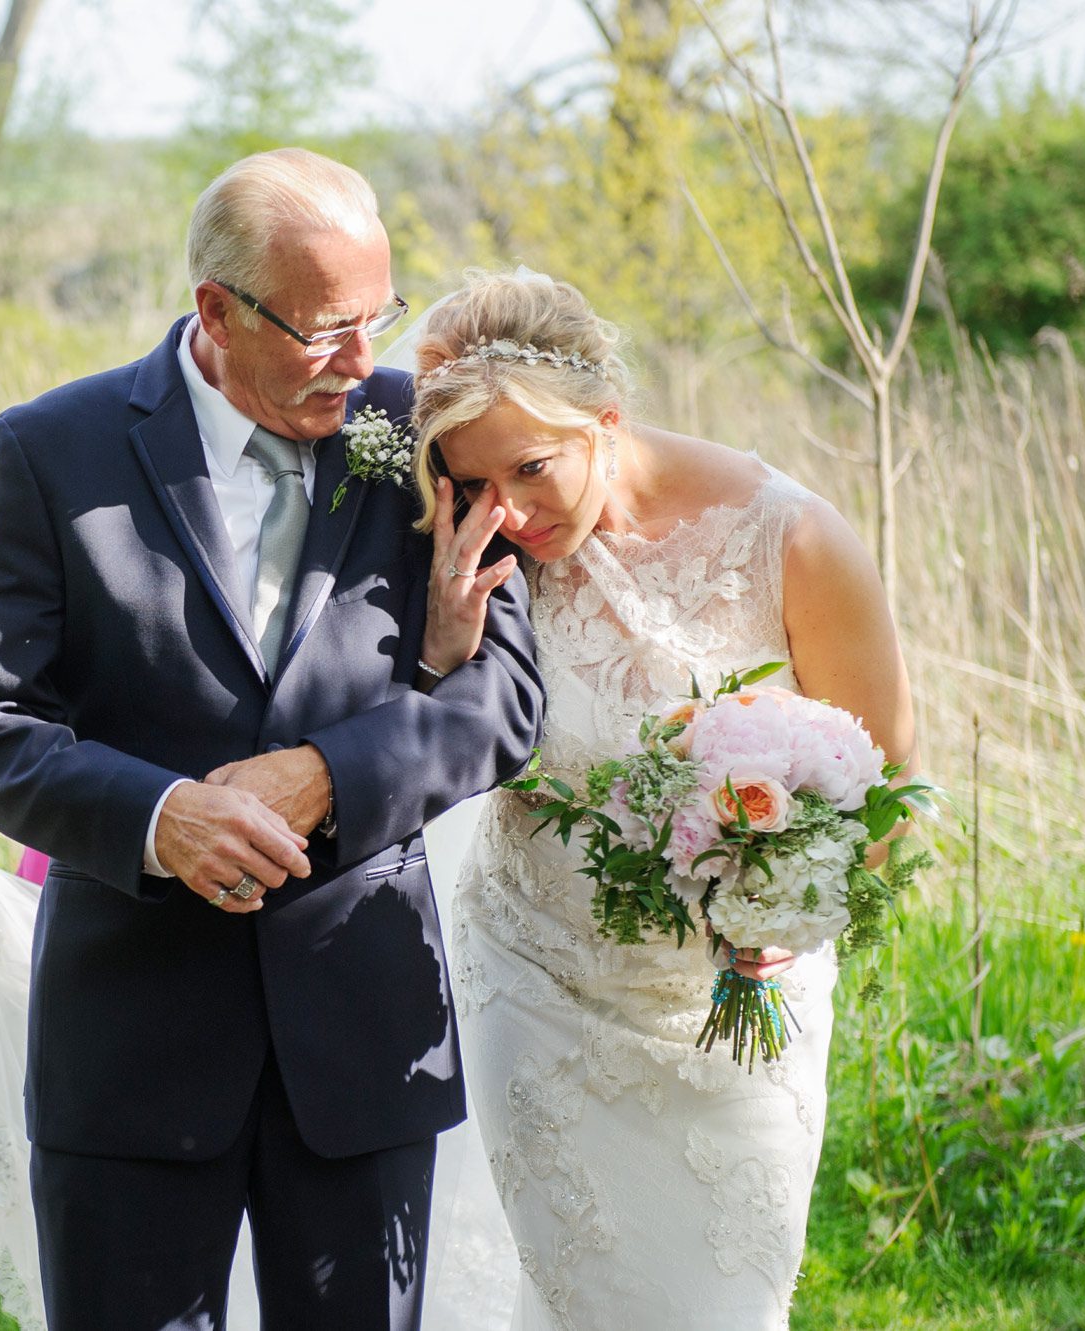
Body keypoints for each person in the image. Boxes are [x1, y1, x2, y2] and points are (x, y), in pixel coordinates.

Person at [0, 148, 544, 1331]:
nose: (366, 361)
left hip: (364, 1034)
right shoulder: (55, 451)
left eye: (380, 317)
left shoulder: (408, 430)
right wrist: (160, 817)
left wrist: (326, 775)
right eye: (325, 330)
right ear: (216, 309)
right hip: (130, 1046)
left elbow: (504, 697)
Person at [412, 268, 917, 1330]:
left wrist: (785, 912)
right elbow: (430, 736)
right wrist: (443, 648)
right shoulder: (479, 556)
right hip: (534, 983)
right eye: (472, 482)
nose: (506, 507)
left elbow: (890, 788)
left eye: (531, 466)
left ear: (604, 417)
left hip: (736, 1012)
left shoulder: (789, 538)